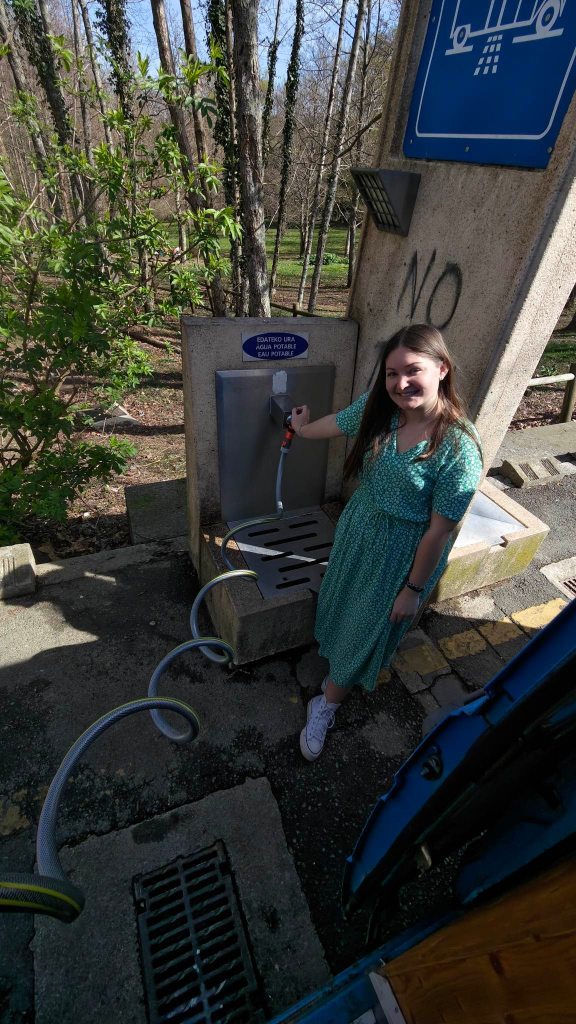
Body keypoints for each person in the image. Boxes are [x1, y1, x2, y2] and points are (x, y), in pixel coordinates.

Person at [290, 324, 483, 762]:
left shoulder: (459, 448)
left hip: (402, 554)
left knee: (367, 626)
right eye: (392, 373)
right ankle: (337, 670)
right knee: (346, 603)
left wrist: (413, 590)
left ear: (442, 369)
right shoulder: (382, 411)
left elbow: (439, 530)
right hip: (361, 528)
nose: (400, 383)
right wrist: (300, 430)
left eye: (413, 370)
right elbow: (336, 423)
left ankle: (327, 703)